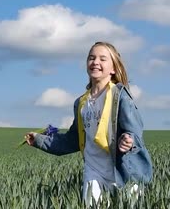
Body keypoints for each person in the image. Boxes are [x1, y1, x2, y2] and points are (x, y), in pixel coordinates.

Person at [25, 41, 153, 205]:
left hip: (123, 170)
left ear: (113, 68)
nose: (95, 62)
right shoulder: (81, 103)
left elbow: (134, 130)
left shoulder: (120, 96)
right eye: (91, 58)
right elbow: (71, 141)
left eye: (102, 59)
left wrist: (129, 140)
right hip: (94, 171)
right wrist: (38, 139)